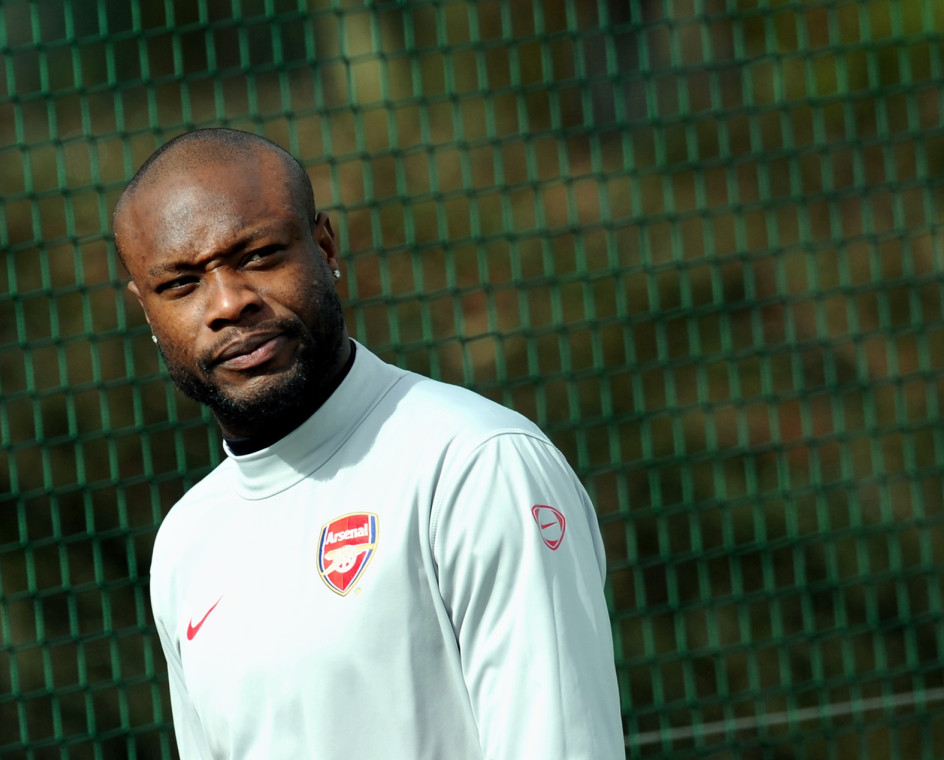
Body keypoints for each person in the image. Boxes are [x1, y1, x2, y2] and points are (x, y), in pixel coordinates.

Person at [113, 128, 625, 758]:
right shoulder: (185, 542)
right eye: (182, 284)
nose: (228, 303)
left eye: (259, 256)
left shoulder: (475, 464)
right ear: (147, 311)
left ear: (325, 246)